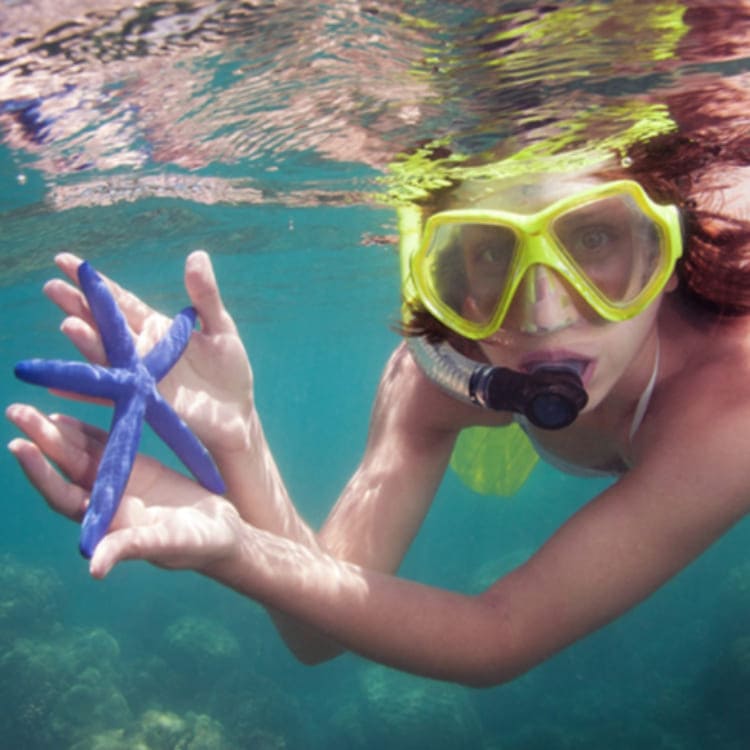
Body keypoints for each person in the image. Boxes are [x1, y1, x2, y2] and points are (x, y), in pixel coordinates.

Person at [7, 127, 750, 687]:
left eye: (593, 237)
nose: (545, 314)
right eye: (493, 252)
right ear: (446, 273)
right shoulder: (444, 372)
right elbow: (318, 631)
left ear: (668, 249)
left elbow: (497, 635)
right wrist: (240, 443)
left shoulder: (732, 402)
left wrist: (243, 553)